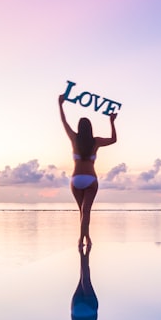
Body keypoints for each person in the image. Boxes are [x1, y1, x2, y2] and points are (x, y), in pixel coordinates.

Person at [58, 93, 117, 249]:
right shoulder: (95, 141)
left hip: (76, 180)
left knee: (82, 212)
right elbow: (113, 140)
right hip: (90, 179)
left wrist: (60, 105)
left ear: (79, 128)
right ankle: (83, 239)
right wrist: (111, 122)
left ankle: (85, 239)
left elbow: (64, 122)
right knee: (87, 212)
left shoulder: (74, 138)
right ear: (90, 128)